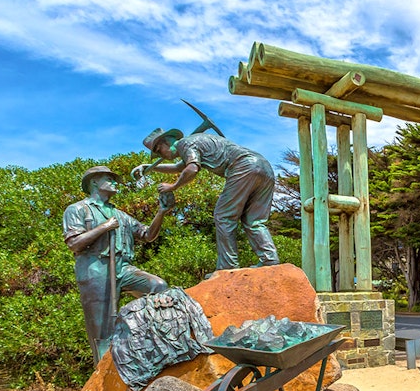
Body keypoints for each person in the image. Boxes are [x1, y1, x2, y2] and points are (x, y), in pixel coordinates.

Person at [63, 166, 171, 365]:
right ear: (94, 182)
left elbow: (147, 235)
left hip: (123, 267)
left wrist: (161, 212)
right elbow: (74, 243)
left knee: (158, 286)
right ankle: (103, 375)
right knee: (102, 330)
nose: (114, 182)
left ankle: (148, 342)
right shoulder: (78, 209)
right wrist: (104, 227)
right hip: (95, 269)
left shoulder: (120, 215)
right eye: (109, 179)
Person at [136, 128, 280, 272]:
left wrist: (173, 186)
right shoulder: (192, 143)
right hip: (264, 167)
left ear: (166, 143)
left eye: (159, 151)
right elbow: (179, 167)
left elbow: (192, 169)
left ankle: (227, 266)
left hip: (243, 167)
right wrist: (149, 168)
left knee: (223, 216)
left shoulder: (185, 144)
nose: (162, 156)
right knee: (253, 220)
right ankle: (269, 258)